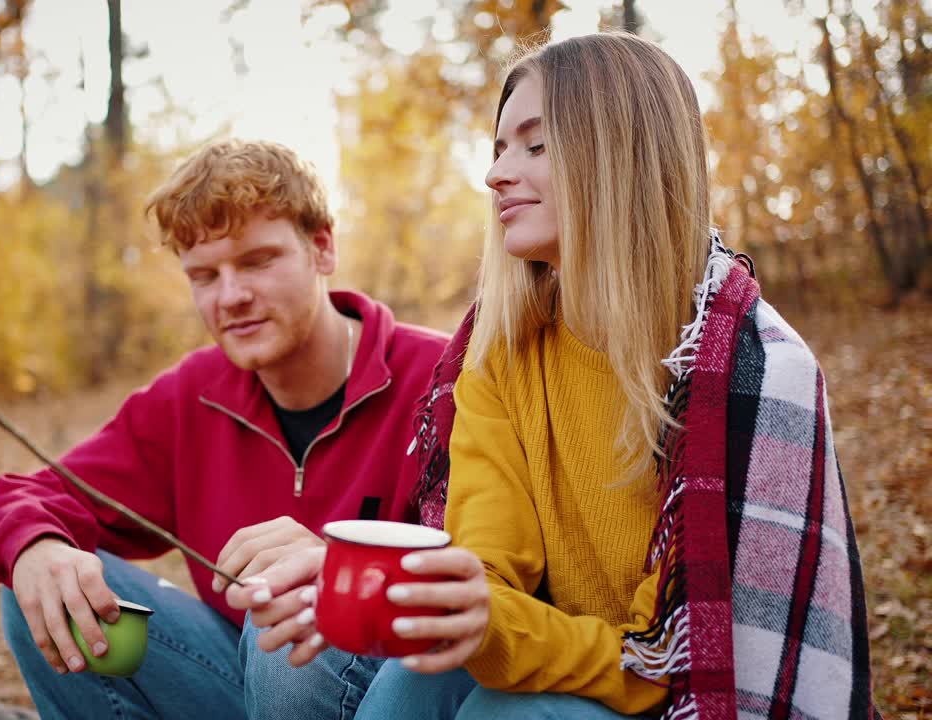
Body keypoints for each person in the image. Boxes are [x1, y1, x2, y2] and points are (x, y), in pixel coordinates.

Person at [228, 32, 879, 720]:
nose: (497, 175)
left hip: (680, 700)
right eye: (500, 149)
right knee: (301, 633)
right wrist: (395, 589)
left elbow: (688, 663)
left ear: (623, 156)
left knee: (502, 715)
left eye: (535, 147)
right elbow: (487, 576)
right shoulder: (497, 351)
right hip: (544, 661)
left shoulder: (751, 370)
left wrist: (491, 626)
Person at [0, 139, 449, 720]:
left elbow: (493, 574)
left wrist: (342, 571)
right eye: (204, 275)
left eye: (256, 261)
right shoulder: (189, 397)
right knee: (43, 585)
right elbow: (27, 496)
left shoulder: (440, 378)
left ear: (321, 248)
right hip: (240, 680)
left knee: (289, 612)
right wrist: (37, 548)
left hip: (394, 691)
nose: (231, 296)